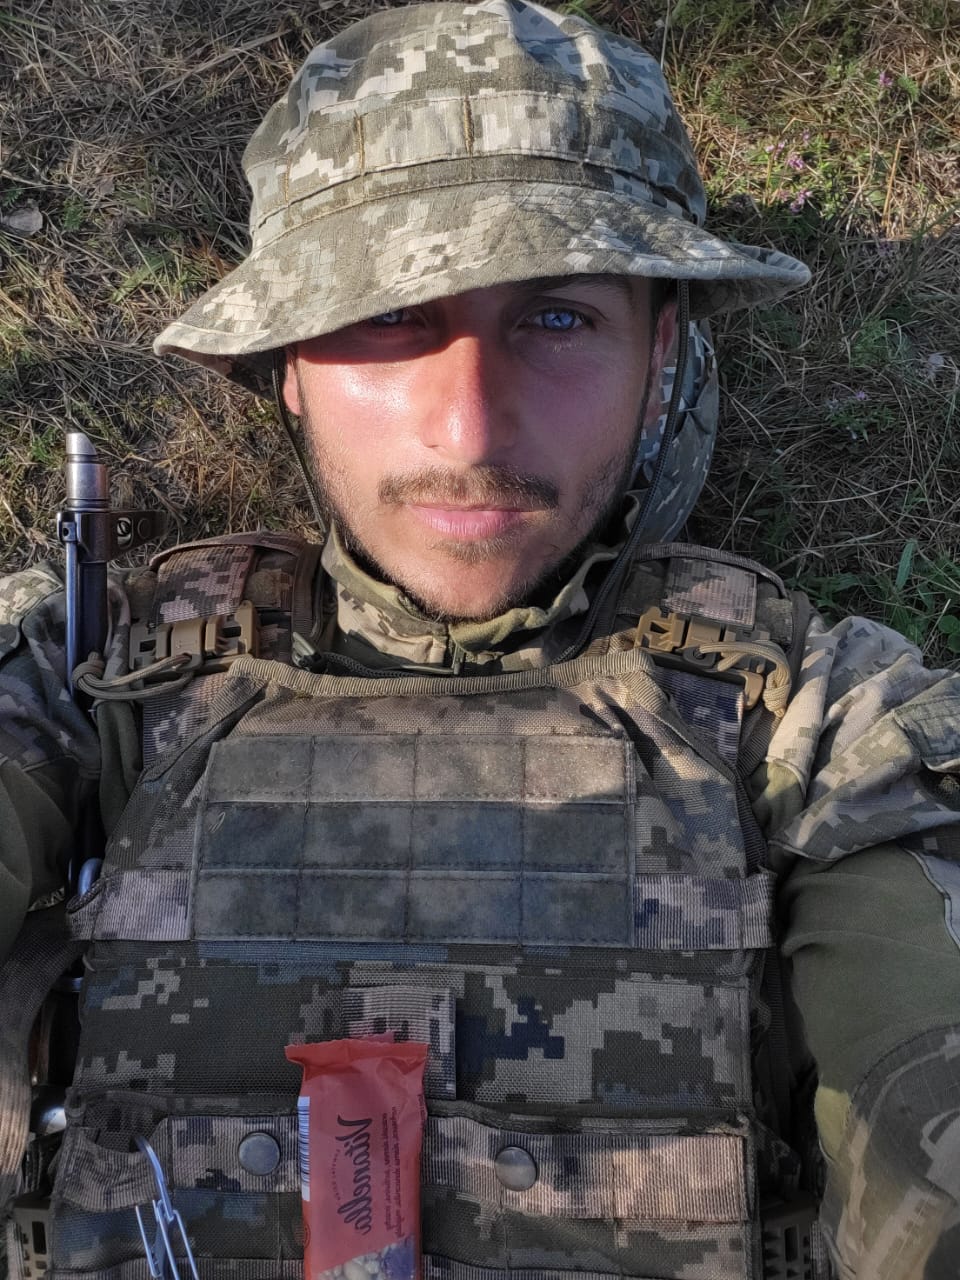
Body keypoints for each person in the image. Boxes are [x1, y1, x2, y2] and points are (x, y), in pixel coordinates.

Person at [1, 2, 958, 1277]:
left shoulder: (818, 719)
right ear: (287, 364)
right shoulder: (90, 678)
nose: (470, 429)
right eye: (391, 315)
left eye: (555, 318)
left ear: (662, 351)